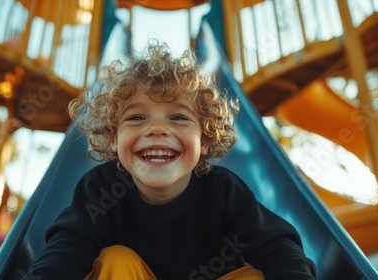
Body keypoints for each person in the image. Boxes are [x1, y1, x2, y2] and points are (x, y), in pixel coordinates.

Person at [25, 41, 316, 279]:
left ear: (204, 139)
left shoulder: (223, 191)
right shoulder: (100, 189)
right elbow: (68, 247)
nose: (157, 129)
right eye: (136, 117)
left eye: (178, 117)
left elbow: (278, 246)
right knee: (115, 260)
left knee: (255, 276)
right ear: (114, 139)